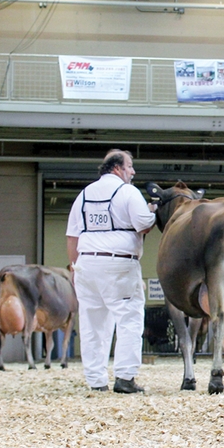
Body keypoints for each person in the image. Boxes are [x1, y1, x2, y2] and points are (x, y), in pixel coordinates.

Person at [66, 149, 156, 394]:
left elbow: (72, 236)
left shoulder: (84, 195)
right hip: (118, 264)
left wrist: (74, 267)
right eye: (130, 166)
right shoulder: (127, 192)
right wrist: (152, 211)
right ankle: (125, 378)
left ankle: (96, 381)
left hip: (85, 264)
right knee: (129, 319)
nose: (133, 171)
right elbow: (143, 224)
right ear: (117, 168)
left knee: (92, 324)